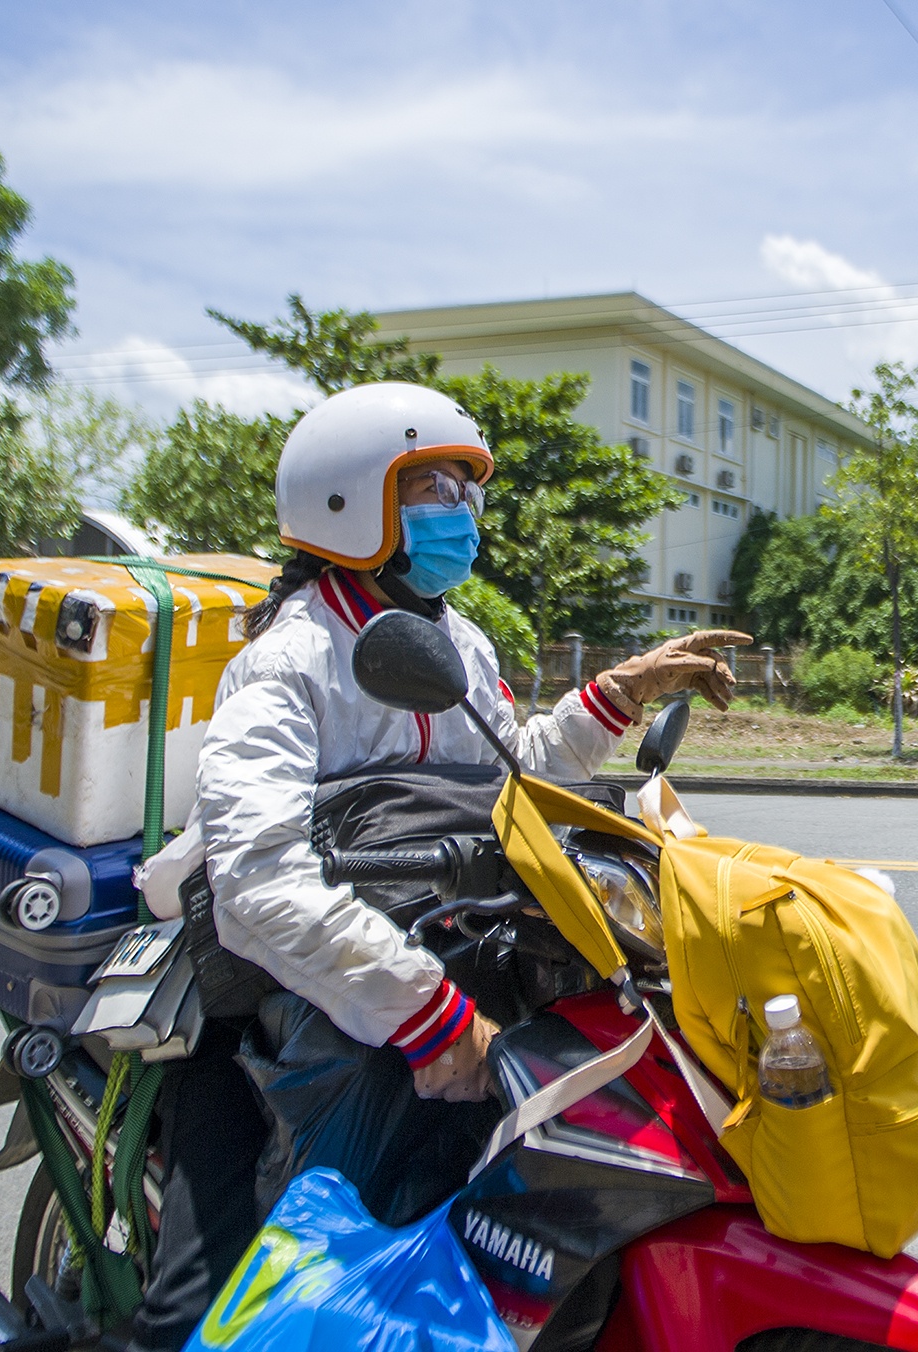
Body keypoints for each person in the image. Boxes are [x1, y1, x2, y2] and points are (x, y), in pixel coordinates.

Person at [126, 381, 749, 1351]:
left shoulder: (453, 638)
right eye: (432, 489)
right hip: (283, 991)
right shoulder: (290, 656)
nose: (459, 514)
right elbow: (259, 880)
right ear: (349, 500)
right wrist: (426, 1013)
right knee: (200, 1315)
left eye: (466, 492)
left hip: (444, 961)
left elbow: (506, 778)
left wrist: (618, 693)